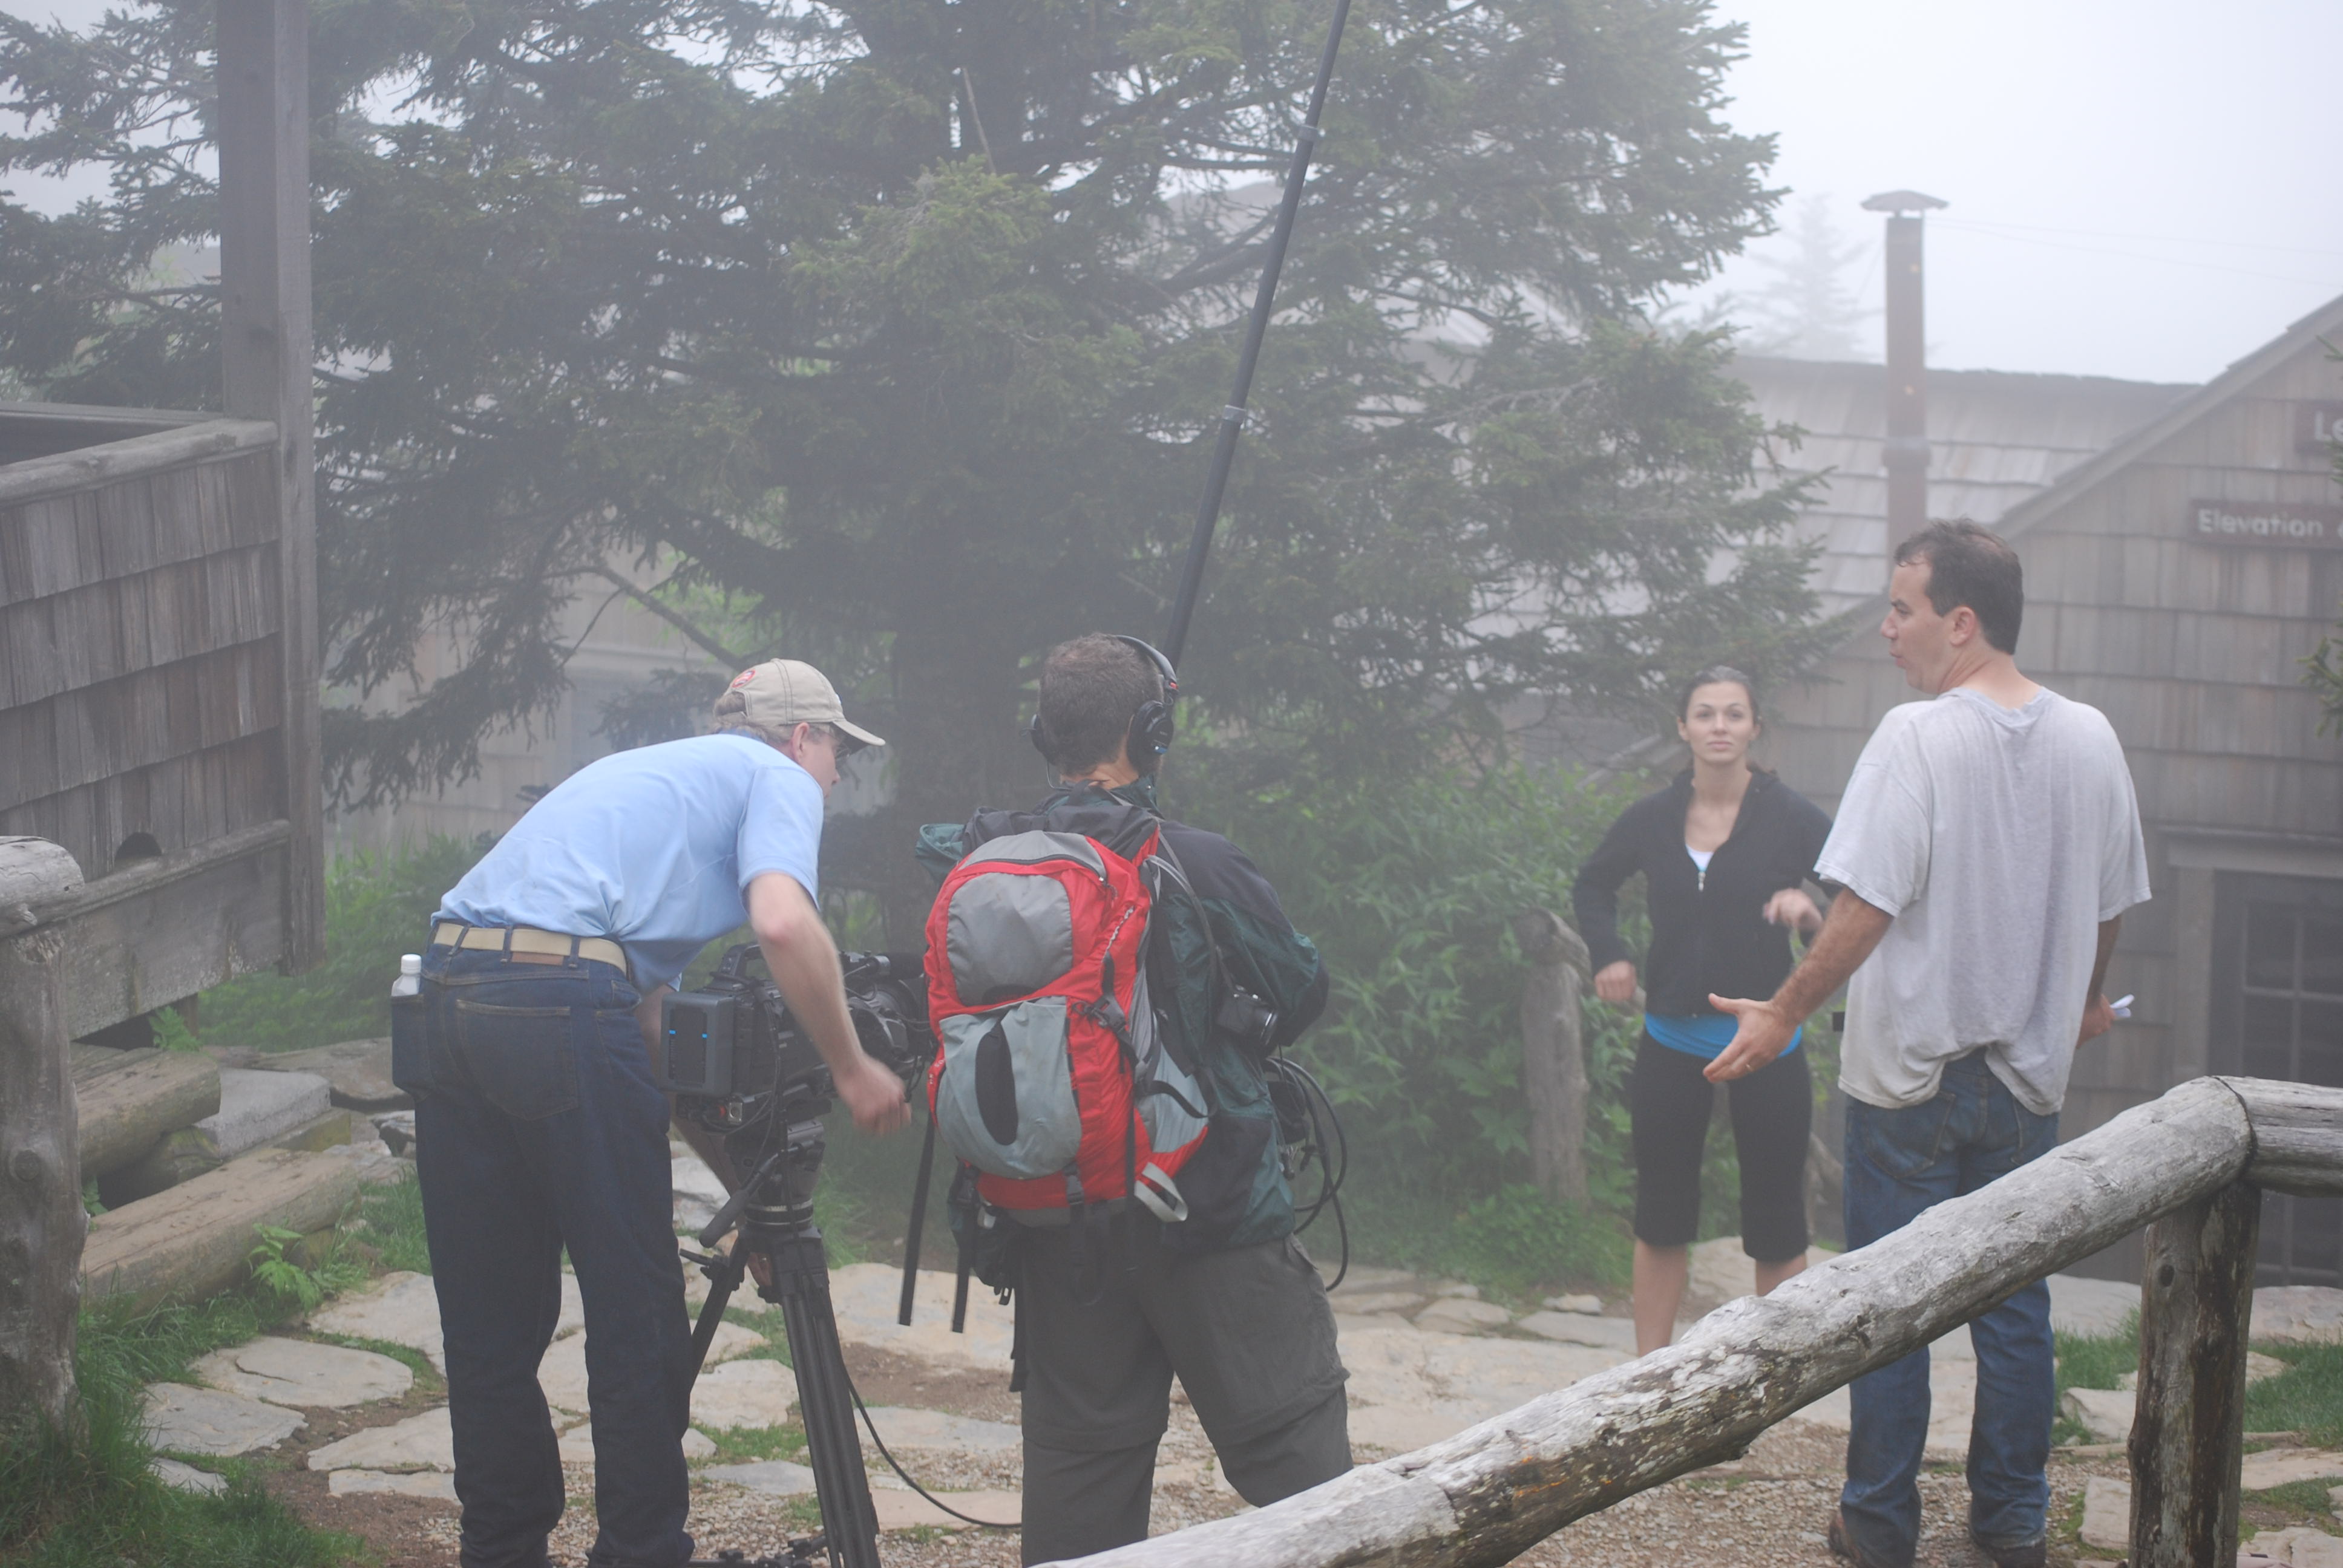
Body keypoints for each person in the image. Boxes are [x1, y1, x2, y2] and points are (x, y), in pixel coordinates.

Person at [394, 658, 910, 1568]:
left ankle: (502, 1550)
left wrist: (743, 1201)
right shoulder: (775, 778)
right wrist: (854, 1066)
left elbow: (644, 1036)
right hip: (557, 997)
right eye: (838, 753)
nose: (835, 775)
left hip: (444, 995)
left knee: (489, 1318)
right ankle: (640, 1552)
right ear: (804, 738)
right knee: (634, 1303)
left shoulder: (652, 783)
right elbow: (785, 925)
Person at [1704, 522, 2151, 1568]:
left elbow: (1862, 906)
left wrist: (1782, 1011)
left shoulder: (1915, 735)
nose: (1885, 627)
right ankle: (2011, 1523)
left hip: (1907, 1080)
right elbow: (2111, 902)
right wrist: (2081, 997)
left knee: (1887, 1309)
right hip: (2026, 1079)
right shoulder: (2092, 736)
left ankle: (1878, 1524)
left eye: (1900, 608)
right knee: (2013, 1310)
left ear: (1961, 621)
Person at [919, 633, 1349, 1566]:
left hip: (1056, 1213)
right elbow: (1302, 988)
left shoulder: (982, 856)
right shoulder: (1196, 861)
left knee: (1082, 1478)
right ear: (1154, 733)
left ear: (1044, 734)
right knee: (1300, 1462)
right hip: (1210, 1206)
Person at [1572, 667, 1832, 1354]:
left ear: (1753, 728)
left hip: (1766, 1045)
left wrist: (1810, 913)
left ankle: (1776, 1378)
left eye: (1733, 714)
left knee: (1776, 1221)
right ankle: (1647, 1377)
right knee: (1660, 1217)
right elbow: (1592, 884)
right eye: (1704, 714)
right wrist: (1609, 953)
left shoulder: (1791, 817)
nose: (1719, 726)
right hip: (1670, 1042)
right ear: (1681, 728)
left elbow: (1857, 898)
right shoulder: (1651, 818)